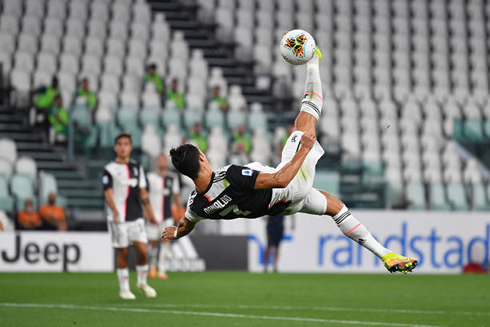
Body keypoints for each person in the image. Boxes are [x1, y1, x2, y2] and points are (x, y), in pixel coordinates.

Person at [162, 47, 418, 274]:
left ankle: (386, 255)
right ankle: (313, 60)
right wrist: (304, 149)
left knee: (335, 207)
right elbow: (280, 178)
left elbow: (186, 223)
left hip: (283, 206)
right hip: (287, 186)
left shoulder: (196, 205)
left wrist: (175, 232)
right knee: (304, 122)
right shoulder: (230, 176)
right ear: (204, 159)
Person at [103, 132, 158, 300]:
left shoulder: (137, 167)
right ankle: (124, 288)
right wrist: (115, 211)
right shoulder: (109, 169)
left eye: (126, 144)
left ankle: (142, 283)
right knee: (124, 252)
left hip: (136, 216)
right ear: (115, 148)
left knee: (142, 251)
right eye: (120, 144)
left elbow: (143, 192)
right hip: (118, 218)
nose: (123, 147)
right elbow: (108, 193)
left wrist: (151, 213)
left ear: (130, 147)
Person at [146, 154, 184, 280]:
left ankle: (162, 269)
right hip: (152, 216)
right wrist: (147, 213)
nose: (162, 162)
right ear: (157, 162)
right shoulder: (150, 177)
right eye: (160, 159)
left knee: (166, 242)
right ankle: (152, 266)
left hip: (166, 216)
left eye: (164, 160)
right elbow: (144, 197)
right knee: (152, 243)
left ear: (167, 163)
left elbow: (176, 197)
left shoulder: (172, 178)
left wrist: (179, 213)